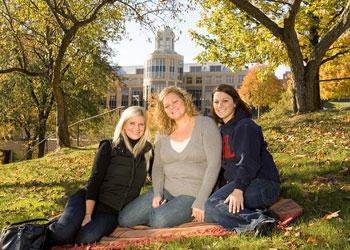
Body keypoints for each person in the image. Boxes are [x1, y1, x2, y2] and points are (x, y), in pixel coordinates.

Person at [47, 106, 153, 245]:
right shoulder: (109, 147)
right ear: (123, 125)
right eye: (131, 123)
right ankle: (41, 232)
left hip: (111, 213)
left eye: (141, 124)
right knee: (62, 234)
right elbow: (94, 181)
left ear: (145, 128)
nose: (136, 128)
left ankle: (70, 225)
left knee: (85, 238)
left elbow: (158, 178)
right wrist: (88, 215)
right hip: (87, 201)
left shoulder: (149, 153)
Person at [118, 86, 222, 228]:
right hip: (167, 190)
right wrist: (157, 194)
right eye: (167, 106)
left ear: (184, 100)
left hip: (193, 193)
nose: (172, 107)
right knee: (125, 219)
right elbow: (158, 167)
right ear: (163, 111)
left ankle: (182, 212)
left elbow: (214, 164)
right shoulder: (163, 133)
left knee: (158, 220)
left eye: (175, 102)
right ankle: (170, 211)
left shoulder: (205, 124)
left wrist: (201, 200)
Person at [205, 84, 280, 235]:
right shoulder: (223, 130)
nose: (220, 105)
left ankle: (258, 222)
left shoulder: (245, 126)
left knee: (213, 205)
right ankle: (262, 214)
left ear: (235, 102)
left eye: (225, 101)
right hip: (245, 183)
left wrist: (238, 190)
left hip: (263, 183)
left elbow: (248, 162)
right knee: (210, 209)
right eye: (216, 102)